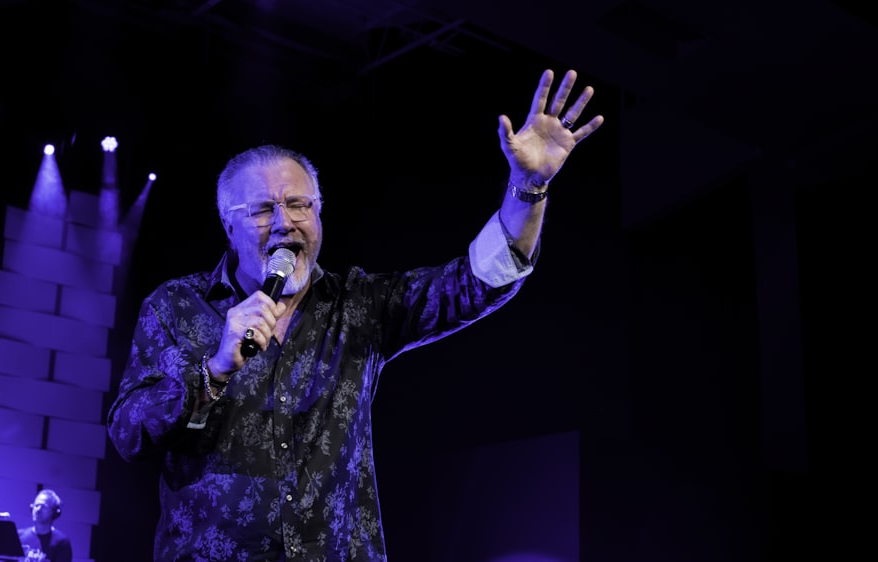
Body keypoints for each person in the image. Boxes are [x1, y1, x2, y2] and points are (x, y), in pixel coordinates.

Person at [106, 67, 604, 561]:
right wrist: (212, 372)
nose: (285, 222)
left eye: (300, 204)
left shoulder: (360, 306)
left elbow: (474, 283)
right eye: (262, 209)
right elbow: (129, 433)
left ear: (318, 215)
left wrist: (528, 188)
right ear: (227, 225)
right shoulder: (175, 306)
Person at [17, 489, 71, 562]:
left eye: (43, 506)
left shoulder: (62, 542)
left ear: (54, 512)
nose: (38, 510)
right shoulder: (19, 536)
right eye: (36, 505)